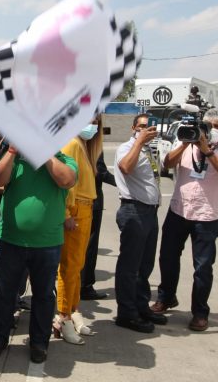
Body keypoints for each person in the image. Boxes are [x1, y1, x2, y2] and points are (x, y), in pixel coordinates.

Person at [151, 109, 218, 331]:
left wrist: (208, 152)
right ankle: (166, 297)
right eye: (208, 125)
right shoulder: (186, 142)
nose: (211, 130)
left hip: (207, 216)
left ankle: (200, 312)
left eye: (217, 126)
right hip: (179, 211)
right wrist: (185, 143)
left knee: (202, 267)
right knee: (168, 258)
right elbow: (167, 163)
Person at [0, 147, 77, 364]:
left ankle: (39, 342)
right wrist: (13, 151)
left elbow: (67, 180)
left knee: (44, 295)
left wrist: (43, 154)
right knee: (4, 293)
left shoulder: (65, 160)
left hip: (47, 243)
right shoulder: (15, 159)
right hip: (10, 240)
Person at [113, 114, 166, 333]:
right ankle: (127, 313)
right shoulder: (127, 147)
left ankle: (141, 306)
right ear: (134, 127)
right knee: (129, 266)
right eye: (142, 127)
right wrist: (139, 142)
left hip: (149, 212)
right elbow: (126, 167)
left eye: (149, 127)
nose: (146, 130)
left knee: (144, 265)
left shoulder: (149, 149)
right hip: (133, 210)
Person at [55, 118, 102, 344]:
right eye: (89, 119)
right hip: (76, 210)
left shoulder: (83, 145)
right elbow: (66, 182)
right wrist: (66, 214)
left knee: (77, 265)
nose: (93, 125)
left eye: (96, 121)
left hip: (86, 209)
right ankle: (63, 316)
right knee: (69, 267)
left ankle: (73, 310)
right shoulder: (72, 143)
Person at [80, 151, 116, 301]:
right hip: (90, 202)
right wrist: (123, 181)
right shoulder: (91, 144)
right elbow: (100, 172)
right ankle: (85, 286)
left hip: (77, 202)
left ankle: (79, 285)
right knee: (89, 247)